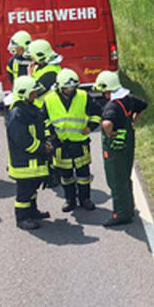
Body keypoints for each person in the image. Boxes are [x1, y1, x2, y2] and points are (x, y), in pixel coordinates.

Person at [91, 70, 147, 226]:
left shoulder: (112, 107)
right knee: (125, 176)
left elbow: (107, 123)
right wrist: (134, 119)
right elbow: (143, 105)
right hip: (128, 143)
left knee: (116, 180)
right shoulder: (128, 99)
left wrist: (109, 133)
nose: (103, 94)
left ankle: (121, 214)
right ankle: (129, 207)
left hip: (115, 146)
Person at [44, 67, 98, 212]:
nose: (70, 90)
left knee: (83, 175)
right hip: (61, 144)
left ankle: (85, 199)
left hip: (80, 142)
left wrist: (91, 126)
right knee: (66, 176)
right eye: (67, 88)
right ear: (60, 87)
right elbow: (44, 120)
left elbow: (97, 112)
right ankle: (70, 200)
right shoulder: (49, 99)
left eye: (73, 87)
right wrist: (51, 136)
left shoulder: (84, 96)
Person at [6, 76, 53, 231]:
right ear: (23, 93)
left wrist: (47, 140)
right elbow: (23, 140)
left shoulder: (30, 108)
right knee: (24, 194)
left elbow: (40, 127)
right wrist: (42, 148)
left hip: (33, 161)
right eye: (32, 93)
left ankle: (32, 212)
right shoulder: (17, 114)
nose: (35, 95)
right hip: (24, 163)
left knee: (32, 190)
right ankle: (22, 218)